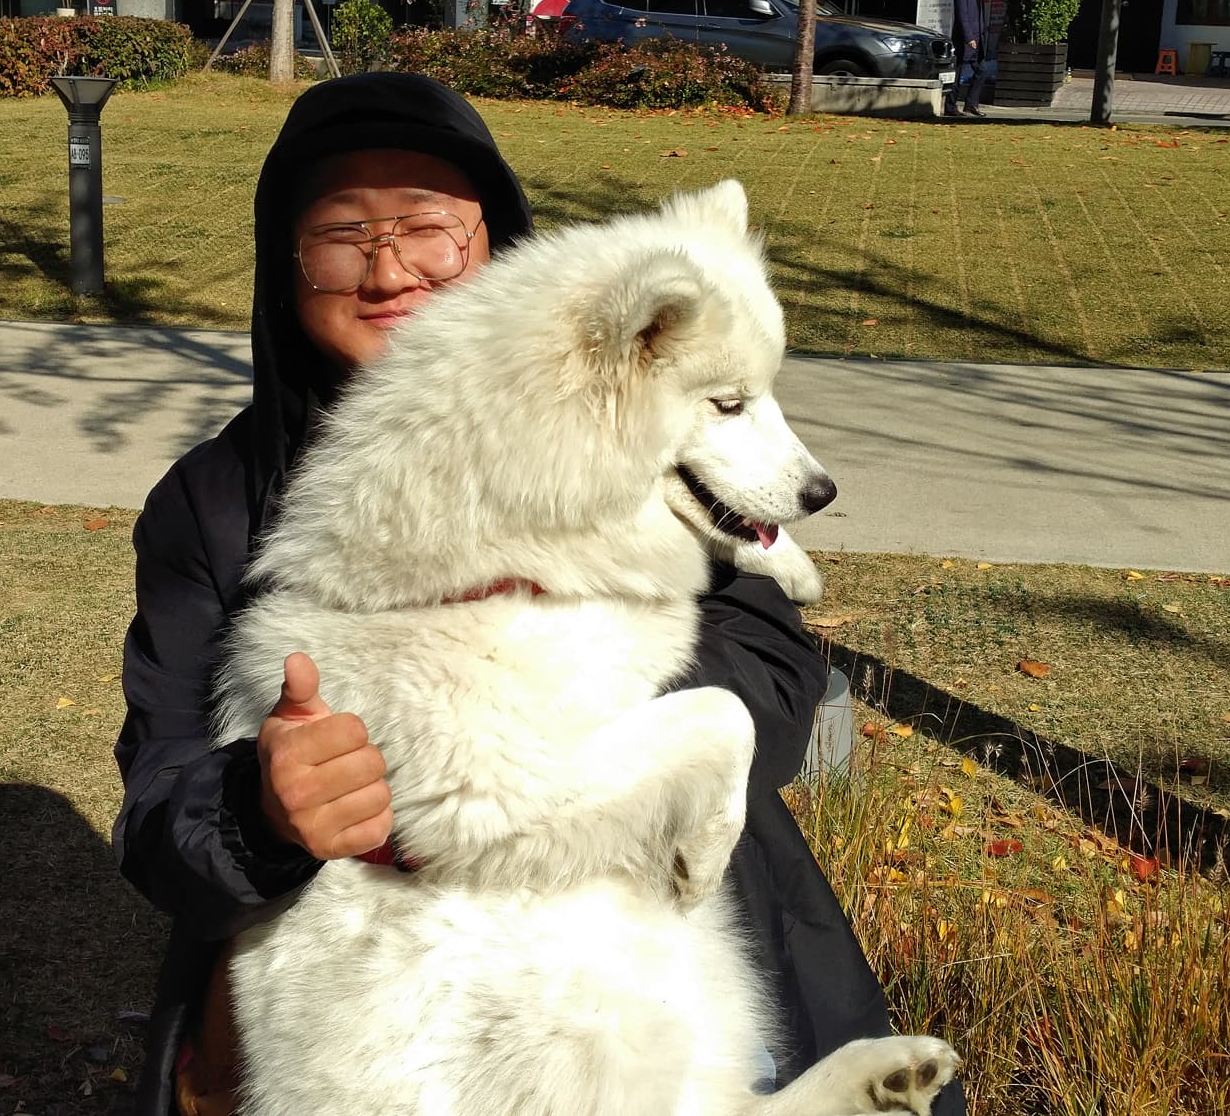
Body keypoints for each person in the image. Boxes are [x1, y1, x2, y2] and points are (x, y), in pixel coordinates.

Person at [111, 71, 963, 1116]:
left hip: (626, 875)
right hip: (368, 948)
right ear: (287, 265)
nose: (387, 271)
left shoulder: (641, 426)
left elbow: (776, 678)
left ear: (493, 245)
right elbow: (158, 801)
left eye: (428, 229)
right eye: (342, 236)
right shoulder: (210, 501)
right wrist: (253, 812)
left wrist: (563, 685)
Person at [950, 0, 990, 118]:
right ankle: (950, 106)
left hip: (977, 39)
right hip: (966, 40)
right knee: (957, 73)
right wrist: (969, 37)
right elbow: (963, 18)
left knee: (982, 70)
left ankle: (971, 104)